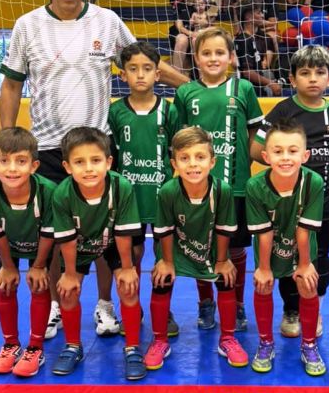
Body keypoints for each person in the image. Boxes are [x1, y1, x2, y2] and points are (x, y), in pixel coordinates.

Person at [0, 0, 187, 343]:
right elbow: (12, 83)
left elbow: (144, 60)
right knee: (51, 234)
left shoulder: (107, 22)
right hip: (48, 147)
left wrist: (194, 87)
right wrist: (9, 136)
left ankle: (104, 306)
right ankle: (51, 306)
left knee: (107, 234)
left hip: (99, 150)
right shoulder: (27, 26)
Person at [250, 45, 329, 338]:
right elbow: (257, 148)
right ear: (292, 78)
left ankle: (314, 307)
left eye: (320, 73)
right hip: (287, 206)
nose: (313, 79)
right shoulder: (284, 110)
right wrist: (283, 164)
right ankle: (292, 309)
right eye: (305, 73)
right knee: (288, 257)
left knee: (319, 258)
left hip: (324, 205)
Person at [173, 26, 264, 331]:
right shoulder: (185, 93)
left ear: (230, 57)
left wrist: (249, 160)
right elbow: (181, 139)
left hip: (235, 188)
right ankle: (205, 302)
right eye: (206, 53)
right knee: (203, 247)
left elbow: (255, 131)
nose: (213, 58)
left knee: (235, 251)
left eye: (219, 53)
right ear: (196, 58)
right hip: (197, 187)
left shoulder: (244, 90)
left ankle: (236, 304)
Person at [145, 127, 248, 371]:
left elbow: (224, 228)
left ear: (212, 162)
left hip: (211, 246)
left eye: (200, 157)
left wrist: (222, 261)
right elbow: (165, 231)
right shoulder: (168, 191)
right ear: (174, 163)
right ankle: (160, 340)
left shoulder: (222, 190)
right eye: (184, 158)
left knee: (225, 276)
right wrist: (167, 262)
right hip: (176, 248)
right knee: (161, 278)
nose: (193, 164)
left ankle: (228, 338)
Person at [51, 126, 145, 380]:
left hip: (113, 242)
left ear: (109, 162)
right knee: (68, 290)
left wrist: (127, 267)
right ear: (68, 167)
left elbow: (124, 232)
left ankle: (133, 348)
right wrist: (70, 273)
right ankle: (73, 346)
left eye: (95, 160)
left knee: (128, 285)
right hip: (79, 245)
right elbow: (67, 240)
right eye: (79, 162)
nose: (89, 168)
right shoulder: (62, 195)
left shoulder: (121, 186)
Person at [108, 42, 181, 336]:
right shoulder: (114, 113)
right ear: (122, 75)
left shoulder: (169, 111)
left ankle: (163, 309)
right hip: (130, 201)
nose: (140, 75)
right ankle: (133, 306)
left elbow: (178, 153)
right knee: (132, 255)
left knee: (165, 256)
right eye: (133, 69)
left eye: (148, 69)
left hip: (161, 198)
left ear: (158, 74)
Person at [246, 119, 325, 375]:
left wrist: (304, 264)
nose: (286, 158)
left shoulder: (313, 182)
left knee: (307, 283)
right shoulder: (255, 186)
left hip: (301, 247)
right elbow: (265, 233)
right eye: (278, 151)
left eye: (293, 151)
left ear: (305, 155)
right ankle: (266, 343)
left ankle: (309, 344)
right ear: (266, 156)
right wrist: (265, 268)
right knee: (263, 283)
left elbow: (304, 230)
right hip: (270, 249)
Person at [0, 127, 55, 378]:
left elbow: (49, 232)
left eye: (20, 161)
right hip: (9, 246)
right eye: (4, 161)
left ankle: (36, 347)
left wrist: (39, 265)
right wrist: (9, 267)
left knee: (40, 285)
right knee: (6, 285)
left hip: (40, 245)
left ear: (34, 166)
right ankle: (10, 344)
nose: (12, 169)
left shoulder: (48, 192)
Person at [234, 1, 282, 96]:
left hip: (256, 88)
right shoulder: (243, 40)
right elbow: (247, 72)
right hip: (247, 91)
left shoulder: (253, 38)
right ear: (248, 17)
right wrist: (270, 83)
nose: (262, 15)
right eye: (258, 13)